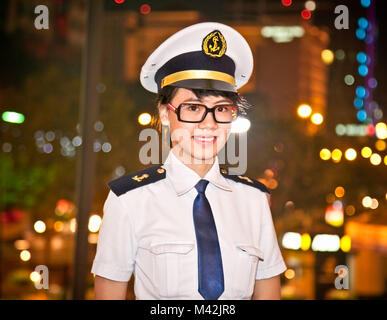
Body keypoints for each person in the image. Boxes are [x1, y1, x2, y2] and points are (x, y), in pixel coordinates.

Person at [91, 22, 286, 300]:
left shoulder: (254, 200)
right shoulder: (129, 200)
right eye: (193, 108)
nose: (209, 123)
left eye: (221, 109)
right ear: (165, 114)